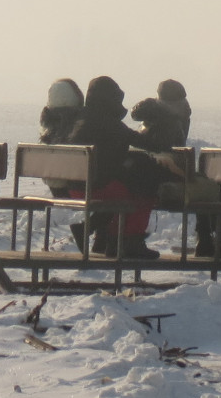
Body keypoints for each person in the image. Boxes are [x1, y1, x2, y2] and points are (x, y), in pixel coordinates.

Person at [51, 76, 164, 260]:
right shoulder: (108, 121)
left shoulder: (81, 118)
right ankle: (129, 242)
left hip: (75, 188)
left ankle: (108, 239)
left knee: (122, 189)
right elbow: (143, 142)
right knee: (141, 192)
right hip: (97, 188)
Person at [133, 79, 221, 259]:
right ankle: (218, 243)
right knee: (217, 190)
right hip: (164, 187)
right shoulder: (171, 123)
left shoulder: (146, 122)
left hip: (142, 184)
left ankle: (206, 242)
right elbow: (174, 160)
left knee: (202, 184)